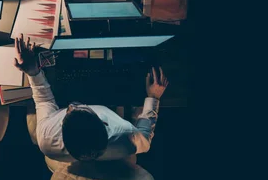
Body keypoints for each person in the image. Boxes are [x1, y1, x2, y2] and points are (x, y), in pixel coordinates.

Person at [13, 33, 168, 162]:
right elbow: (146, 138)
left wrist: (33, 71)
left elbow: (44, 100)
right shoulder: (126, 137)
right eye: (79, 109)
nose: (72, 105)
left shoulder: (46, 139)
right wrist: (154, 97)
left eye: (69, 111)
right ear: (105, 122)